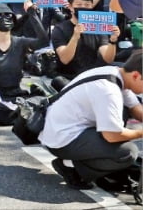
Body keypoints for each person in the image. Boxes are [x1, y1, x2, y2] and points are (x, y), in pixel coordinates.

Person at [41, 51, 143, 192]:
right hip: (63, 138)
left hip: (68, 127)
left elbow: (135, 107)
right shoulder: (109, 90)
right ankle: (70, 165)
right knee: (127, 153)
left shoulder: (117, 73)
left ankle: (97, 161)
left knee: (124, 111)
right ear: (136, 75)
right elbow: (112, 136)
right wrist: (140, 133)